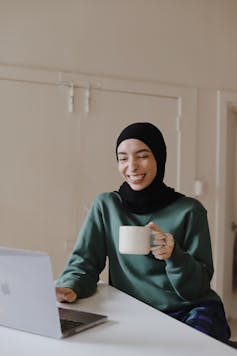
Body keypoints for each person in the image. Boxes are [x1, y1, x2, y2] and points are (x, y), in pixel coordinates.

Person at [56, 122, 231, 342]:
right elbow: (84, 263)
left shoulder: (190, 210)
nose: (132, 166)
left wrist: (173, 255)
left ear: (159, 157)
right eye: (123, 158)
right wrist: (70, 287)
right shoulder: (106, 206)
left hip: (189, 309)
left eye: (142, 156)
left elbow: (198, 288)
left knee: (192, 348)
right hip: (134, 312)